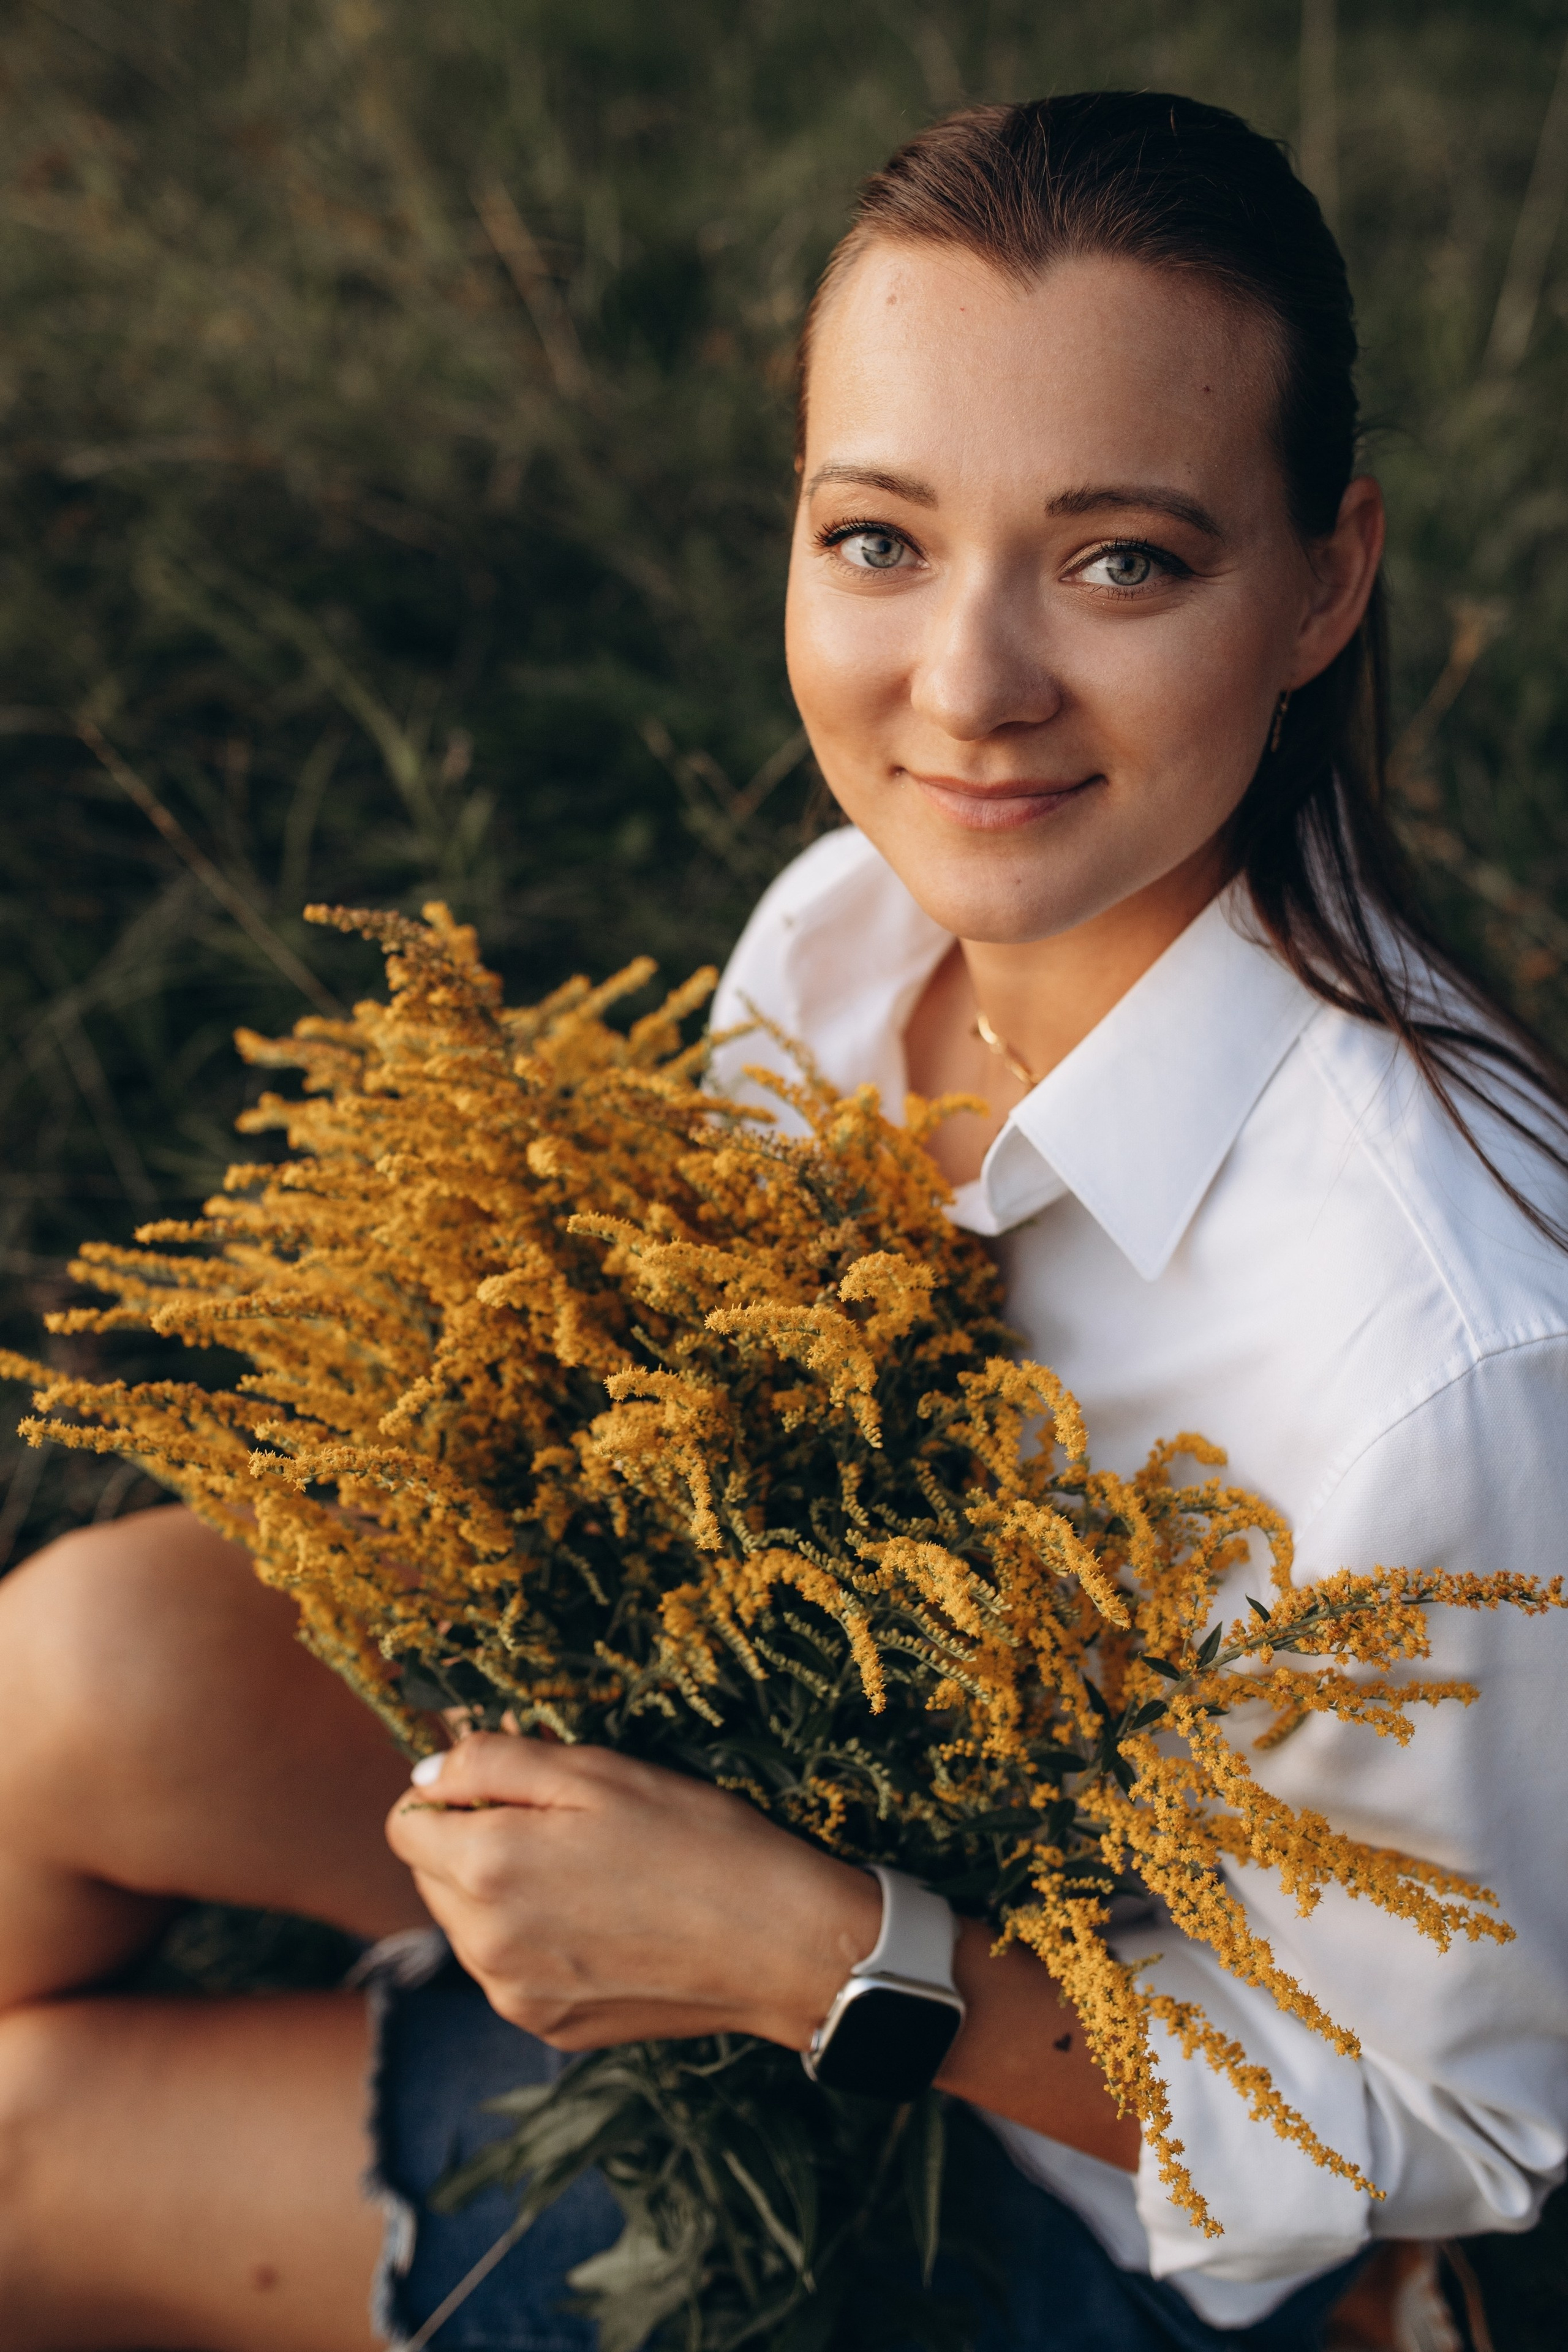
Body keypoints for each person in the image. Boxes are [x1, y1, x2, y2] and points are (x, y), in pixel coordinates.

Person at [0, 89, 1564, 2352]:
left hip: (1029, 2189)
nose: (970, 687)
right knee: (81, 1664)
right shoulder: (848, 931)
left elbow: (1437, 2122)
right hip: (737, 1805)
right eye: (881, 540)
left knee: (27, 2144)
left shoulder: (1436, 1354)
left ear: (1329, 575)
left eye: (1123, 559)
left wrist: (815, 1954)